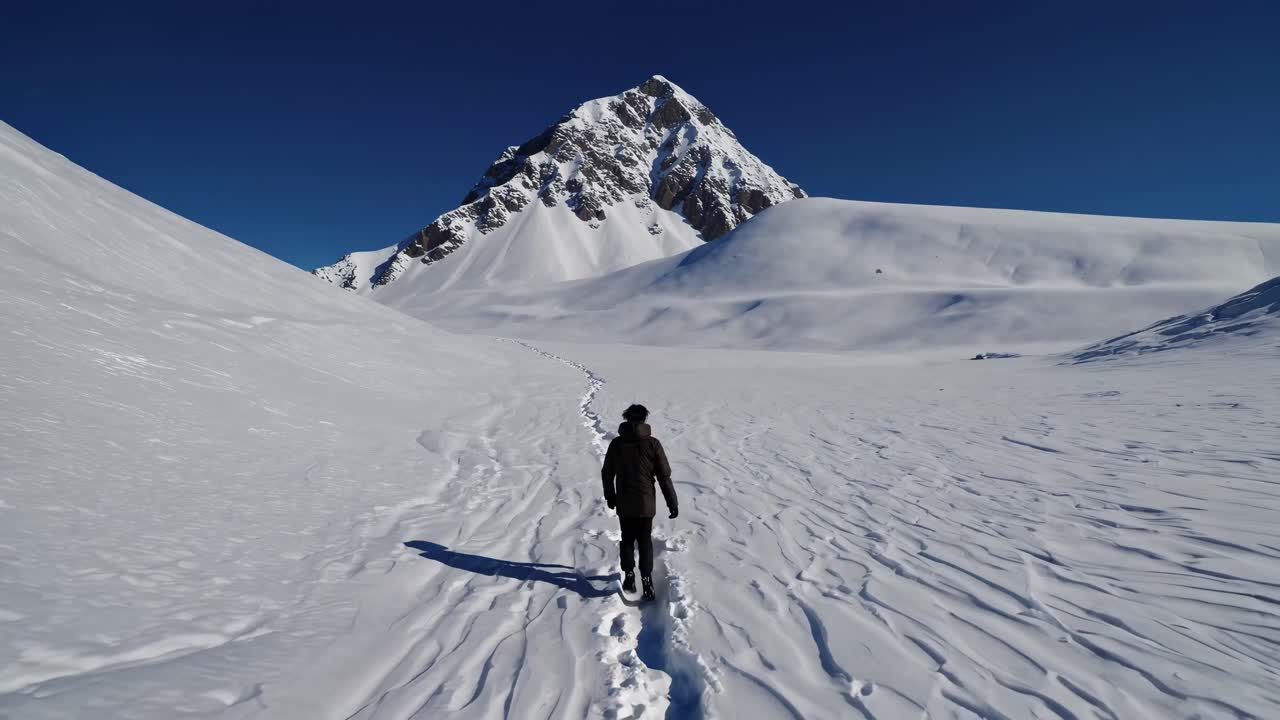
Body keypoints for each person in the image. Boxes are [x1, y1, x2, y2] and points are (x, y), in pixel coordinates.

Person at [601, 403, 678, 601]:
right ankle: (646, 580)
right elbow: (664, 476)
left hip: (625, 502)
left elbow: (607, 472)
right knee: (644, 541)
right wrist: (672, 502)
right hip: (646, 503)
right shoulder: (653, 443)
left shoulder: (617, 444)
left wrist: (610, 495)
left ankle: (629, 575)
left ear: (627, 419)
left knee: (627, 538)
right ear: (644, 419)